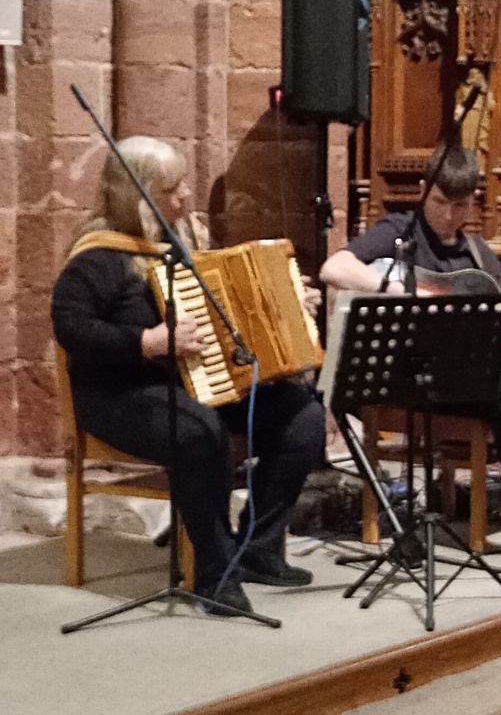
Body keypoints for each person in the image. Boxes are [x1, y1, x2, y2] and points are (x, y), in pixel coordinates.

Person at [51, 136, 324, 615]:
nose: (185, 196)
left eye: (183, 184)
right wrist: (146, 341)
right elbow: (71, 329)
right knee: (200, 430)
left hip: (198, 381)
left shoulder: (186, 242)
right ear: (136, 196)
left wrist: (288, 303)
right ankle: (214, 573)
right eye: (171, 189)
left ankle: (257, 547)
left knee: (304, 418)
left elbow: (229, 304)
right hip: (119, 395)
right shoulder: (95, 258)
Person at [320, 143, 501, 561]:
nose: (448, 215)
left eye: (459, 205)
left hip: (477, 362)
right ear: (423, 190)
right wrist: (405, 291)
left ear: (474, 200)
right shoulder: (400, 231)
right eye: (440, 202)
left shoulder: (479, 257)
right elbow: (333, 268)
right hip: (419, 372)